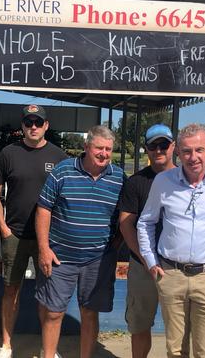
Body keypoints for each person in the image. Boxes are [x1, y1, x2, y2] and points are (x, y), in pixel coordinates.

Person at [137, 123, 205, 358]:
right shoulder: (163, 181)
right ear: (178, 152)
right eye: (187, 151)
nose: (193, 157)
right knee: (175, 349)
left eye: (199, 150)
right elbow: (146, 221)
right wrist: (150, 260)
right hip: (171, 275)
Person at [36, 125, 124, 358]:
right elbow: (43, 208)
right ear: (86, 147)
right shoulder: (63, 171)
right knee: (54, 312)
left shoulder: (119, 178)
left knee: (89, 312)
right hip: (60, 258)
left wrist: (115, 244)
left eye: (108, 149)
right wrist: (44, 248)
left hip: (97, 261)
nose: (104, 153)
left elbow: (126, 216)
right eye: (99, 148)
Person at [0, 105, 68, 358]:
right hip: (16, 235)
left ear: (46, 125)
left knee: (48, 295)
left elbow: (67, 196)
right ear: (22, 126)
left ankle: (48, 349)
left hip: (49, 239)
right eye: (28, 122)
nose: (33, 126)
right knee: (11, 289)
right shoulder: (8, 153)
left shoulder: (59, 156)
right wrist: (3, 227)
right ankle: (6, 345)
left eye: (38, 122)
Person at [117, 124, 176, 358]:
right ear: (146, 149)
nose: (159, 149)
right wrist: (146, 258)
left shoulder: (186, 179)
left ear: (173, 147)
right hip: (143, 267)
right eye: (153, 145)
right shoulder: (136, 182)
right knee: (140, 325)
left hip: (177, 267)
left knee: (180, 327)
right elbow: (125, 224)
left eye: (164, 144)